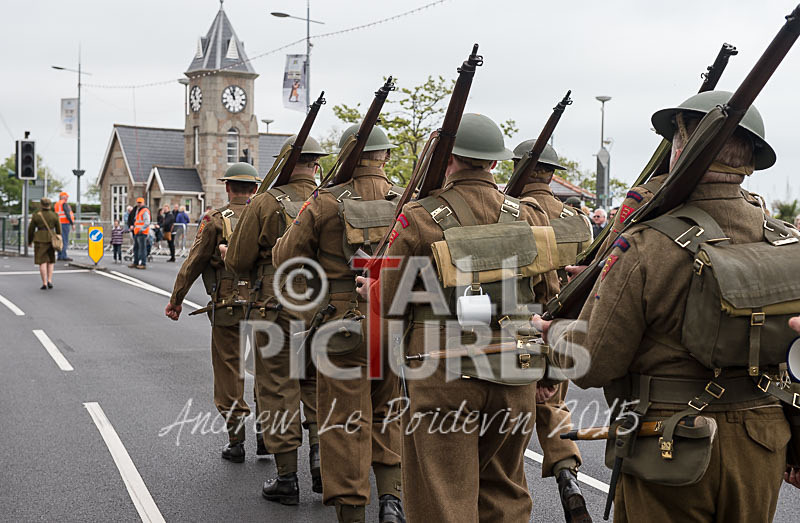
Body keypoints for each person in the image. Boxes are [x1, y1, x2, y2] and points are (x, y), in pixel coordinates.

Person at [534, 91, 793, 521]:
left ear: (681, 152)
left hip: (669, 446)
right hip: (761, 442)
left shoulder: (646, 245)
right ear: (749, 162)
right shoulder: (785, 242)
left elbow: (595, 362)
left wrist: (553, 334)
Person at [371, 114, 560, 522]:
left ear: (448, 158)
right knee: (504, 492)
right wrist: (550, 372)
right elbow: (548, 299)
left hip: (443, 375)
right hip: (516, 368)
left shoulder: (419, 216)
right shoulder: (527, 215)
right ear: (495, 163)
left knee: (443, 496)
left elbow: (389, 302)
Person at [272, 124, 405, 523]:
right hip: (392, 324)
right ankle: (392, 502)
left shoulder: (325, 202)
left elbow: (285, 257)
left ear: (347, 157)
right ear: (383, 156)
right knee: (388, 413)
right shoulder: (407, 200)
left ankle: (352, 513)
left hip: (341, 328)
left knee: (346, 424)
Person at [225, 136, 329, 504]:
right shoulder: (333, 199)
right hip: (324, 305)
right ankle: (320, 459)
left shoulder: (266, 202)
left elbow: (237, 260)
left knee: (277, 387)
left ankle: (287, 477)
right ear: (316, 165)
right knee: (315, 383)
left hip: (275, 306)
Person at [511, 139, 592, 522]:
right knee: (553, 403)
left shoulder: (509, 213)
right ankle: (566, 473)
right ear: (552, 174)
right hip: (563, 326)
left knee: (511, 416)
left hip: (521, 324)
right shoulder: (577, 219)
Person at [165, 163, 259, 462]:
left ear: (227, 187)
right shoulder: (269, 217)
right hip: (265, 304)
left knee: (229, 370)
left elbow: (194, 262)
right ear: (254, 189)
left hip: (228, 306)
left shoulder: (215, 220)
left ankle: (237, 439)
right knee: (270, 369)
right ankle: (272, 438)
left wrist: (176, 299)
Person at [27, 197, 59, 289]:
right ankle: (50, 280)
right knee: (51, 260)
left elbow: (31, 229)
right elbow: (59, 229)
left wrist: (29, 241)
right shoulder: (54, 215)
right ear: (50, 205)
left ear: (41, 205)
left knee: (42, 262)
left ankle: (44, 283)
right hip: (51, 239)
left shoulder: (37, 215)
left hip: (39, 239)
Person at [129, 197, 150, 269]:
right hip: (137, 232)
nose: (139, 204)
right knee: (136, 248)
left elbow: (147, 222)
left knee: (142, 249)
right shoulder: (138, 210)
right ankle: (136, 262)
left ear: (143, 203)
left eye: (140, 202)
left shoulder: (145, 210)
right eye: (138, 202)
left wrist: (141, 229)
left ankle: (143, 263)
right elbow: (137, 221)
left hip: (142, 233)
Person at [54, 191, 74, 261]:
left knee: (59, 240)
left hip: (58, 224)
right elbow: (67, 215)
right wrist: (72, 224)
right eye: (67, 197)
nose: (67, 198)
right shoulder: (64, 204)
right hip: (64, 224)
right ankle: (63, 256)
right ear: (64, 197)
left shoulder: (57, 204)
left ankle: (60, 255)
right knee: (64, 240)